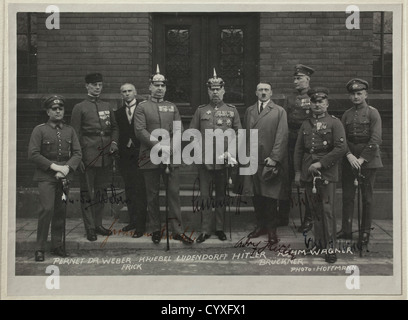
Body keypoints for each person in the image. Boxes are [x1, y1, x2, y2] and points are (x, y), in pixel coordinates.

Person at [134, 65, 193, 245]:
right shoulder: (142, 107)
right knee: (152, 195)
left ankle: (177, 230)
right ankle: (155, 229)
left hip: (171, 157)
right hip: (150, 155)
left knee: (173, 194)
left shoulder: (172, 107)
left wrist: (170, 149)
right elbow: (140, 130)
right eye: (156, 85)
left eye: (163, 85)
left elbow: (178, 130)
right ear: (150, 87)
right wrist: (159, 146)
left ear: (166, 88)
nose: (159, 88)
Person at [294, 87, 347, 263]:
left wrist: (321, 163)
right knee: (315, 210)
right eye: (314, 102)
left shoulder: (334, 123)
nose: (317, 105)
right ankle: (318, 243)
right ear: (310, 104)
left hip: (327, 173)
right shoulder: (305, 124)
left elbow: (341, 148)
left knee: (327, 211)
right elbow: (299, 150)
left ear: (327, 104)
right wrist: (298, 172)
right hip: (309, 172)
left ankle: (330, 248)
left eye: (321, 102)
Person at [189, 69, 242, 243]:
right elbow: (192, 134)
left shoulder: (232, 111)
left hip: (223, 162)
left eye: (218, 89)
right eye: (212, 89)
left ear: (224, 90)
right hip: (205, 162)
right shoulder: (201, 110)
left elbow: (238, 134)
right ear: (208, 91)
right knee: (205, 197)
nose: (215, 92)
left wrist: (231, 154)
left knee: (221, 196)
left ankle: (219, 228)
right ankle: (205, 230)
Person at [28, 95, 82, 261]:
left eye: (61, 109)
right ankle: (40, 248)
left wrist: (66, 168)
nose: (58, 112)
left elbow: (77, 153)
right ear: (48, 111)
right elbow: (33, 154)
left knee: (61, 210)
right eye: (54, 109)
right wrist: (55, 167)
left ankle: (57, 245)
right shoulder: (40, 130)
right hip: (46, 178)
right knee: (47, 209)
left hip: (64, 178)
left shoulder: (69, 130)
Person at [71, 73, 119, 242]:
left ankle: (98, 224)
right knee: (87, 193)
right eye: (94, 85)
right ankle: (89, 228)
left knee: (102, 192)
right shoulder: (80, 107)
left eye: (100, 84)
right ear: (87, 86)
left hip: (105, 155)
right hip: (88, 155)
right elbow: (75, 134)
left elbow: (114, 128)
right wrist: (79, 158)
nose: (97, 87)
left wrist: (114, 143)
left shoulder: (106, 105)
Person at [337, 79, 383, 246]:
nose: (356, 97)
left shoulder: (373, 113)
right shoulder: (347, 114)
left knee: (367, 198)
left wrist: (362, 159)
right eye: (353, 94)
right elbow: (342, 139)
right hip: (350, 160)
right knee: (348, 196)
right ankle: (346, 230)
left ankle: (364, 233)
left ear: (366, 95)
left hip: (368, 161)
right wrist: (349, 155)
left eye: (359, 93)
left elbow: (376, 138)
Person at [243, 82, 289, 244]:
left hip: (269, 159)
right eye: (260, 90)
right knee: (257, 195)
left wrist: (275, 158)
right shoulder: (249, 111)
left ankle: (271, 230)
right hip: (253, 159)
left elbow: (282, 136)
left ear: (271, 93)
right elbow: (246, 135)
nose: (263, 93)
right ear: (256, 92)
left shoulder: (279, 111)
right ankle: (260, 225)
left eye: (266, 90)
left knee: (270, 197)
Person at [281, 64, 315, 232]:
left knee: (307, 180)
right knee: (286, 178)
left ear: (307, 79)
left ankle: (309, 219)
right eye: (294, 78)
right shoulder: (289, 99)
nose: (296, 81)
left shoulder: (314, 97)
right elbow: (285, 121)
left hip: (307, 142)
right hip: (291, 140)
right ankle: (283, 216)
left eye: (299, 78)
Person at [115, 83, 147, 238]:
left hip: (140, 154)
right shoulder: (119, 112)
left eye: (129, 91)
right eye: (124, 92)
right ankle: (133, 221)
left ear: (135, 93)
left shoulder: (143, 109)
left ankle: (141, 225)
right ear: (121, 94)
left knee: (140, 189)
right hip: (125, 156)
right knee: (129, 189)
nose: (127, 94)